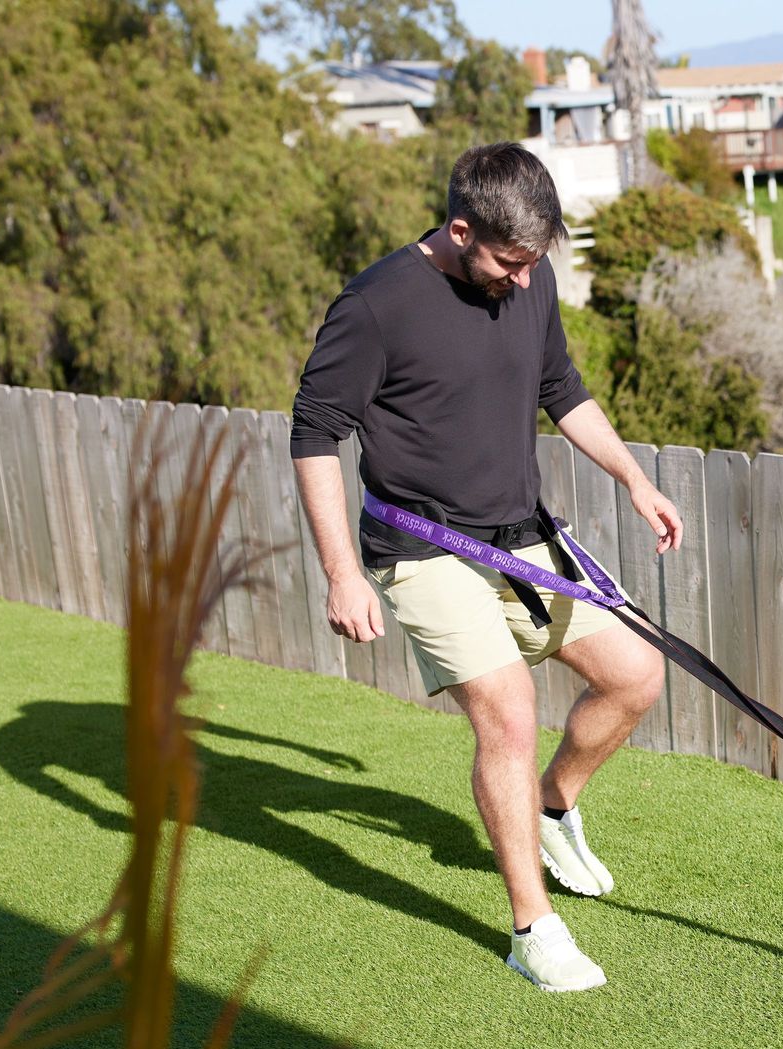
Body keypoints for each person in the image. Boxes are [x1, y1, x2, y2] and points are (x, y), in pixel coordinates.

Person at [290, 143, 682, 994]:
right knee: (507, 712)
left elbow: (563, 389)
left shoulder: (530, 275)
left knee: (636, 676)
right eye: (509, 261)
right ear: (460, 229)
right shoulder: (375, 305)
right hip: (422, 546)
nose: (522, 279)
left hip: (520, 533)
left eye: (535, 261)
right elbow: (316, 433)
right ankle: (533, 929)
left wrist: (635, 480)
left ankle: (550, 806)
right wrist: (340, 572)